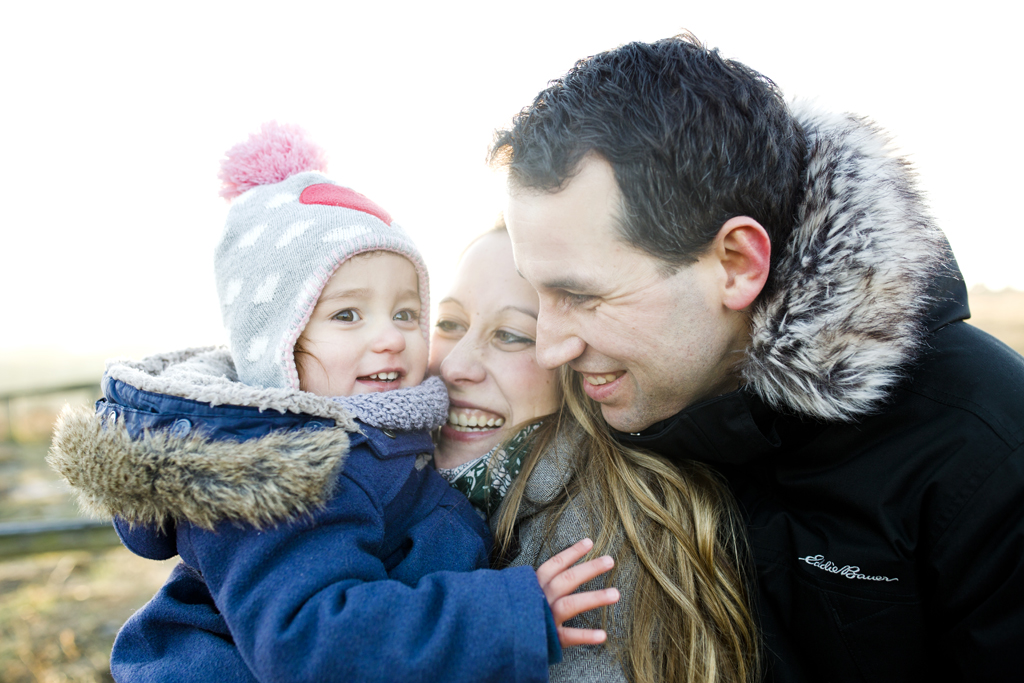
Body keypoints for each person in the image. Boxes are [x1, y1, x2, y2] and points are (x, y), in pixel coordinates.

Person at [490, 34, 1024, 682]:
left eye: (581, 295)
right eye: (536, 293)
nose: (551, 346)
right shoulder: (594, 401)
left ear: (738, 262)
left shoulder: (988, 450)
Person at [48, 122, 618, 683]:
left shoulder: (374, 447)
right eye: (348, 315)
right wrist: (508, 615)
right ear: (280, 347)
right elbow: (311, 641)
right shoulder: (279, 478)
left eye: (407, 314)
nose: (391, 337)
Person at [429, 220, 760, 683]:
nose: (455, 365)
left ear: (573, 364)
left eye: (512, 335)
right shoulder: (380, 472)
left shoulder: (601, 543)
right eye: (448, 323)